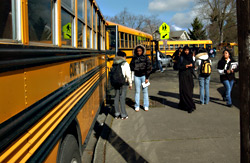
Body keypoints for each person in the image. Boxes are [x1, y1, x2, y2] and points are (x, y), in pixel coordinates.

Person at [130, 45, 152, 112]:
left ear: (142, 51)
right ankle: (137, 106)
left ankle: (146, 105)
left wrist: (147, 77)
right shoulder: (134, 58)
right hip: (137, 76)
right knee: (137, 91)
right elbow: (131, 66)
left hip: (144, 76)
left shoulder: (146, 58)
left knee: (145, 91)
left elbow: (149, 67)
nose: (138, 52)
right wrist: (135, 69)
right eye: (137, 51)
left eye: (140, 51)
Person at [113, 51, 132, 119]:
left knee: (116, 97)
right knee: (122, 98)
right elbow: (128, 74)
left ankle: (116, 114)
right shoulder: (125, 63)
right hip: (123, 82)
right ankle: (123, 114)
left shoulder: (114, 63)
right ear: (124, 56)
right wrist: (130, 83)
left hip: (115, 82)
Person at [177, 45, 196, 113]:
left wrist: (192, 65)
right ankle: (190, 106)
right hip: (183, 76)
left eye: (187, 50)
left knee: (190, 90)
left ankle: (183, 104)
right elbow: (177, 66)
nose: (186, 52)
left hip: (189, 76)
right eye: (185, 50)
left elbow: (193, 65)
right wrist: (185, 66)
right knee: (185, 91)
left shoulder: (190, 57)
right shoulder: (181, 58)